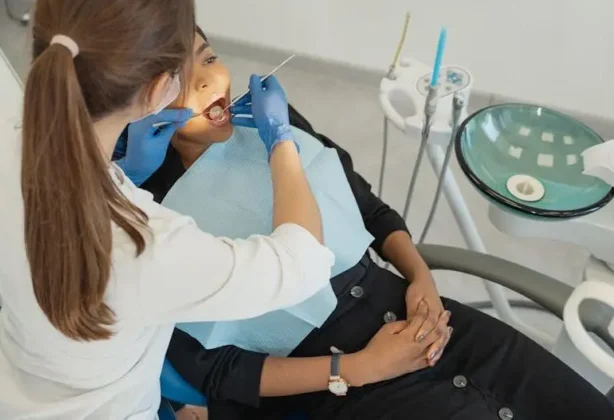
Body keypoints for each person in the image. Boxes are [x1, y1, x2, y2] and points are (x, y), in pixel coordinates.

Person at [135, 28, 614, 419]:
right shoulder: (147, 215)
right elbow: (218, 373)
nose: (208, 81)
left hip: (427, 323)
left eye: (209, 56)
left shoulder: (268, 121)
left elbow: (368, 207)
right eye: (178, 77)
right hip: (328, 389)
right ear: (137, 100)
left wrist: (420, 276)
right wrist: (357, 368)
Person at [0, 0, 337, 420]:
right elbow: (302, 264)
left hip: (9, 386)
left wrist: (124, 176)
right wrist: (282, 141)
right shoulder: (148, 246)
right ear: (158, 90)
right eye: (186, 66)